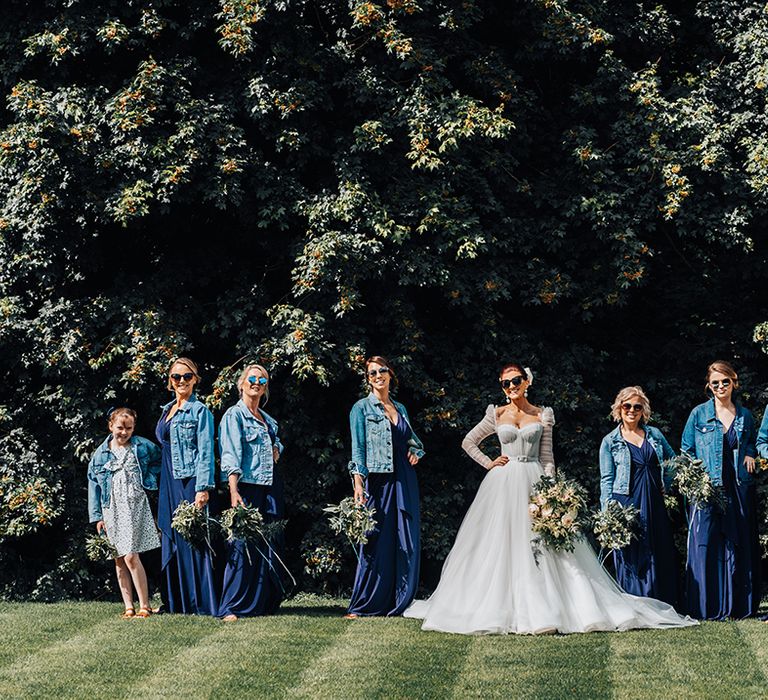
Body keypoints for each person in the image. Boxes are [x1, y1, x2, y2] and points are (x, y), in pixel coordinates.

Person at [404, 362, 697, 634]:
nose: (510, 387)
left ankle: (557, 605)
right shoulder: (496, 414)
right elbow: (468, 441)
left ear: (526, 382)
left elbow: (546, 457)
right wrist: (490, 462)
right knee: (499, 543)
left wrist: (552, 492)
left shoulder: (542, 414)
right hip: (503, 483)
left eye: (515, 381)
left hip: (534, 481)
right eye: (505, 383)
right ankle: (501, 605)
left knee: (545, 546)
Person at [345, 355, 425, 617]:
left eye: (382, 371)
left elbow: (414, 441)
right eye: (372, 373)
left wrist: (416, 452)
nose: (378, 376)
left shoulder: (400, 408)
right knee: (374, 538)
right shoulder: (361, 408)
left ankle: (399, 599)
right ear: (368, 379)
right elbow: (358, 449)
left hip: (404, 478)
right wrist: (358, 483)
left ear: (391, 375)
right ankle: (364, 602)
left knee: (404, 536)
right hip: (377, 480)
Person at [681, 361, 760, 619]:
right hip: (707, 489)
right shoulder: (699, 415)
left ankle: (738, 605)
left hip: (738, 488)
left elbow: (752, 442)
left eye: (725, 381)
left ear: (734, 382)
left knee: (739, 544)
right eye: (715, 383)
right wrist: (695, 480)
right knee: (706, 544)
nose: (720, 386)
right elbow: (686, 451)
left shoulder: (745, 415)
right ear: (709, 385)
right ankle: (707, 606)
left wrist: (750, 454)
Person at [598, 387, 679, 607]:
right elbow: (606, 479)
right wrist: (608, 513)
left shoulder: (654, 435)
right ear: (619, 408)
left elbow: (673, 462)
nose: (631, 410)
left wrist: (665, 485)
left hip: (653, 500)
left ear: (643, 410)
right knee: (632, 550)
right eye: (627, 406)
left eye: (637, 406)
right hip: (626, 501)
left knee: (657, 547)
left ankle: (659, 600)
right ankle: (633, 602)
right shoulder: (610, 441)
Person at [218, 364, 285, 620]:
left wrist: (277, 448)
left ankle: (260, 603)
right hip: (247, 486)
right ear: (242, 384)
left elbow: (275, 440)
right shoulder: (234, 416)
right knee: (241, 542)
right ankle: (232, 606)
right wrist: (233, 490)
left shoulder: (267, 419)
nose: (257, 383)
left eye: (262, 380)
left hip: (270, 485)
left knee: (268, 542)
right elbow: (230, 454)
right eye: (252, 378)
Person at [155, 357, 218, 615]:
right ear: (170, 381)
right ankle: (176, 601)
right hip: (168, 480)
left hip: (189, 479)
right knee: (173, 537)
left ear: (195, 380)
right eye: (176, 377)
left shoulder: (200, 411)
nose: (181, 381)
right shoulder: (166, 409)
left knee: (193, 537)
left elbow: (206, 451)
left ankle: (200, 603)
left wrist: (202, 487)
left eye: (187, 377)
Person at [88, 407, 161, 618]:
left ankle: (144, 605)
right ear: (111, 426)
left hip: (134, 506)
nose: (124, 432)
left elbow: (159, 460)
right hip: (111, 509)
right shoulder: (101, 455)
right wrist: (97, 517)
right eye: (120, 427)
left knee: (130, 556)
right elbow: (94, 485)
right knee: (118, 557)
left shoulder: (141, 446)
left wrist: (149, 478)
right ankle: (129, 606)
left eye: (129, 428)